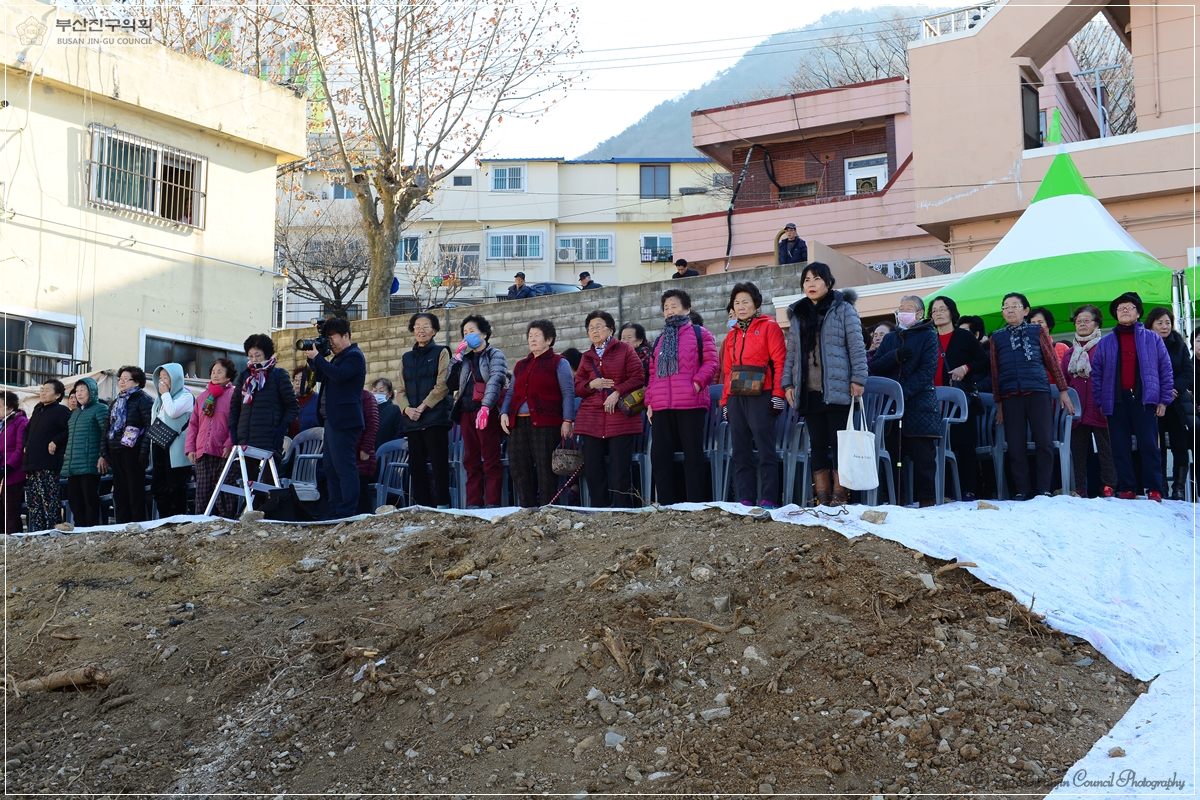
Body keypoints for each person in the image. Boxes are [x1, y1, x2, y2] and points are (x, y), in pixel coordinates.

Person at [782, 264, 867, 506]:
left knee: (839, 443)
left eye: (816, 279)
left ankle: (840, 495)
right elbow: (792, 353)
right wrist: (788, 383)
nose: (810, 283)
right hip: (809, 391)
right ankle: (822, 495)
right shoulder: (798, 313)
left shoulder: (844, 309)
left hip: (838, 389)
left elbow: (857, 347)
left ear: (828, 283)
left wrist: (858, 379)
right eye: (806, 279)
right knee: (817, 444)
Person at [989, 293, 1074, 500]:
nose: (1009, 310)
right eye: (1005, 306)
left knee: (1044, 441)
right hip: (1010, 395)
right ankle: (1022, 489)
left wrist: (1063, 391)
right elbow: (995, 371)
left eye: (1014, 306)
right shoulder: (996, 336)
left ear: (1025, 310)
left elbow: (1053, 362)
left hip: (1038, 391)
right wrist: (999, 402)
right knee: (1015, 445)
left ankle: (1043, 487)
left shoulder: (1037, 331)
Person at [1091, 294, 1172, 501]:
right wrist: (1100, 400)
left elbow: (1165, 369)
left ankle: (1154, 488)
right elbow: (1097, 372)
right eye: (1120, 308)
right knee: (1119, 445)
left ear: (1138, 312)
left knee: (1149, 445)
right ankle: (1127, 487)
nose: (1125, 311)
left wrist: (1163, 400)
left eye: (1129, 307)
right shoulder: (1106, 341)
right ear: (1115, 314)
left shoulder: (1152, 338)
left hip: (1145, 398)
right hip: (1116, 399)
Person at [646, 289, 719, 505]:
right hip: (661, 407)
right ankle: (667, 504)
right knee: (660, 457)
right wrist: (649, 402)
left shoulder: (700, 333)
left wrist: (696, 385)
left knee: (693, 457)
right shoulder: (660, 339)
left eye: (674, 306)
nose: (669, 311)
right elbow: (652, 374)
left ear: (687, 308)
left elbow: (711, 363)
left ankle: (696, 503)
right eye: (666, 308)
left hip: (690, 404)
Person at [870, 296, 941, 507]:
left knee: (923, 458)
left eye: (909, 309)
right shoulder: (891, 339)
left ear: (919, 314)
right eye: (901, 309)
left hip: (920, 405)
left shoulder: (929, 336)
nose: (904, 312)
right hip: (892, 408)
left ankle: (927, 500)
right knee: (892, 456)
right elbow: (876, 366)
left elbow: (927, 371)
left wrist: (903, 393)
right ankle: (894, 500)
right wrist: (894, 356)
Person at [722, 281, 788, 507]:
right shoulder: (731, 335)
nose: (740, 307)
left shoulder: (770, 326)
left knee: (765, 448)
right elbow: (727, 372)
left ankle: (769, 498)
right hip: (736, 396)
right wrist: (724, 402)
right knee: (740, 450)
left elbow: (780, 362)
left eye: (745, 302)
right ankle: (746, 499)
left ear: (756, 304)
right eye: (737, 303)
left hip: (762, 394)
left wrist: (778, 395)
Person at [501, 319, 576, 507]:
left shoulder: (559, 362)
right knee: (518, 467)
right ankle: (527, 507)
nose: (532, 339)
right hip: (518, 424)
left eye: (537, 335)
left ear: (549, 339)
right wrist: (504, 413)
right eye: (529, 336)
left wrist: (567, 420)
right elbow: (511, 393)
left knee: (545, 469)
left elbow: (568, 392)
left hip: (546, 423)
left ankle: (548, 508)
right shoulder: (520, 365)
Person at [575, 310, 645, 507]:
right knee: (593, 468)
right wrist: (591, 385)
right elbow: (578, 386)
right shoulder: (586, 357)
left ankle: (623, 510)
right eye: (591, 328)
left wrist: (617, 392)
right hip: (591, 419)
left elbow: (638, 377)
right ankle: (600, 509)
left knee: (619, 469)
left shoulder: (625, 349)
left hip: (620, 417)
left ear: (611, 329)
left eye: (599, 327)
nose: (595, 331)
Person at [928, 296, 989, 501]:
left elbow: (984, 361)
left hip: (960, 399)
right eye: (934, 310)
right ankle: (945, 492)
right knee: (939, 447)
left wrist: (966, 368)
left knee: (965, 446)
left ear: (952, 312)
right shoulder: (928, 338)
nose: (938, 313)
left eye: (942, 309)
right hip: (933, 401)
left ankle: (969, 489)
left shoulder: (964, 336)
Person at [302, 321, 363, 517]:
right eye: (327, 339)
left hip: (344, 420)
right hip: (331, 421)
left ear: (346, 336)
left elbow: (339, 376)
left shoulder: (354, 356)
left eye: (332, 338)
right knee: (330, 468)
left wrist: (319, 358)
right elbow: (320, 376)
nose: (331, 343)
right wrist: (314, 358)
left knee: (344, 467)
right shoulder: (337, 358)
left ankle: (347, 511)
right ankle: (335, 509)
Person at [396, 313, 453, 509]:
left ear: (435, 331)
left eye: (427, 326)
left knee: (439, 465)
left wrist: (422, 407)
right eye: (417, 326)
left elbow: (443, 385)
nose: (421, 330)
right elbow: (400, 389)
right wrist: (407, 409)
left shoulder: (442, 352)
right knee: (416, 467)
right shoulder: (406, 357)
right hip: (412, 420)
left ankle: (443, 506)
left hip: (435, 418)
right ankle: (421, 507)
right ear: (413, 330)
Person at [451, 314, 508, 508]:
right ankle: (473, 503)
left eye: (472, 331)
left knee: (491, 458)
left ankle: (492, 503)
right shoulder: (464, 359)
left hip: (487, 412)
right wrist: (456, 359)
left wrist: (486, 406)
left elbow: (496, 380)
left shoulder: (495, 354)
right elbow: (449, 383)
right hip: (467, 411)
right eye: (465, 333)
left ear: (484, 334)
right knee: (471, 459)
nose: (468, 336)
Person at [1062, 305, 1117, 497]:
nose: (1082, 324)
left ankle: (1109, 485)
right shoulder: (1069, 353)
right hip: (1077, 409)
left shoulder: (1106, 347)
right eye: (1078, 321)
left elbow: (1112, 377)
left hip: (1100, 406)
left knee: (1106, 449)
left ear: (1097, 324)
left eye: (1087, 320)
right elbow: (1065, 382)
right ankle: (1079, 487)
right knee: (1077, 450)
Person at [231, 334, 300, 483]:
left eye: (258, 355)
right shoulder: (245, 376)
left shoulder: (278, 375)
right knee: (247, 486)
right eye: (250, 356)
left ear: (267, 355)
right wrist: (233, 430)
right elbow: (235, 406)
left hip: (269, 440)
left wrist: (282, 428)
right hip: (245, 440)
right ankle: (250, 508)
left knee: (267, 487)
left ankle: (267, 507)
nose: (254, 359)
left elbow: (293, 406)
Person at [1146, 306, 1193, 500]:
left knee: (1179, 444)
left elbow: (1187, 372)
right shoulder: (1146, 343)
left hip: (1177, 402)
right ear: (1151, 324)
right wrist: (1161, 392)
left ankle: (1179, 489)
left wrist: (1173, 390)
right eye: (1160, 323)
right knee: (1157, 446)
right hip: (1154, 402)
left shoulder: (1178, 343)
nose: (1164, 326)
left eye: (1167, 322)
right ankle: (1161, 485)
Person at [186, 358, 238, 517]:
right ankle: (202, 526)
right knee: (202, 493)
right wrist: (190, 449)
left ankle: (226, 524)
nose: (215, 375)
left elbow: (237, 422)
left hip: (224, 452)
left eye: (220, 371)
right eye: (213, 371)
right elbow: (193, 424)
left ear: (228, 376)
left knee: (224, 492)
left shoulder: (234, 395)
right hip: (203, 452)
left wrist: (230, 443)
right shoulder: (202, 397)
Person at [101, 366, 154, 523]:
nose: (122, 382)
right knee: (120, 492)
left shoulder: (143, 399)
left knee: (134, 491)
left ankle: (137, 524)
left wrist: (144, 451)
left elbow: (150, 427)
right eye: (120, 379)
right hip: (116, 451)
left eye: (126, 379)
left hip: (134, 452)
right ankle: (122, 525)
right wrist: (105, 451)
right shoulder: (116, 401)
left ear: (137, 382)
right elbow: (107, 427)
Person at [22, 379, 71, 531]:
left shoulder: (62, 411)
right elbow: (27, 430)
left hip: (48, 463)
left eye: (47, 390)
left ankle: (53, 530)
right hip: (32, 463)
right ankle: (38, 532)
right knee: (33, 502)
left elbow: (68, 430)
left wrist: (55, 441)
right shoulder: (38, 409)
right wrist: (25, 445)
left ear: (57, 395)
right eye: (42, 389)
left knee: (49, 501)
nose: (43, 392)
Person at [61, 377, 108, 528]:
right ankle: (79, 529)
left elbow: (106, 434)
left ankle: (91, 529)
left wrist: (103, 456)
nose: (79, 394)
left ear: (92, 392)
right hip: (73, 465)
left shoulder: (100, 408)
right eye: (77, 391)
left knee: (90, 500)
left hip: (90, 463)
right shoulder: (74, 414)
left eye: (83, 390)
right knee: (75, 500)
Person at [149, 363, 194, 518]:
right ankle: (164, 518)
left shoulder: (186, 396)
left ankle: (177, 518)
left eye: (166, 377)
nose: (162, 381)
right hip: (160, 444)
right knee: (158, 485)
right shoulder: (159, 400)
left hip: (177, 448)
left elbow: (173, 412)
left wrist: (165, 394)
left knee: (176, 485)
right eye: (160, 377)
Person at [1, 392, 29, 533]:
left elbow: (20, 448)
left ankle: (12, 542)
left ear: (9, 407)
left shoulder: (20, 421)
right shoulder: (2, 423)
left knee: (10, 512)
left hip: (13, 472)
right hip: (1, 472)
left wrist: (8, 466)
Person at [1030, 307, 1070, 386]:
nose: (1036, 326)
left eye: (1040, 322)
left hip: (1059, 394)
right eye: (1033, 322)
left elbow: (1069, 375)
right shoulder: (1027, 349)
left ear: (1049, 325)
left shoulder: (1062, 347)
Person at [355, 389, 380, 513]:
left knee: (361, 491)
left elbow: (372, 423)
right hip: (348, 453)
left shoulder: (366, 396)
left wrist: (365, 448)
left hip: (361, 454)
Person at [289, 366, 321, 439]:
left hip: (313, 446)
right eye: (295, 380)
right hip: (292, 446)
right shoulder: (290, 401)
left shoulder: (319, 401)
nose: (297, 383)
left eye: (301, 380)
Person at [372, 378, 402, 450]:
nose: (377, 394)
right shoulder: (369, 411)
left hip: (387, 453)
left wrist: (390, 450)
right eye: (375, 391)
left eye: (381, 391)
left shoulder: (395, 410)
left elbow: (398, 433)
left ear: (390, 394)